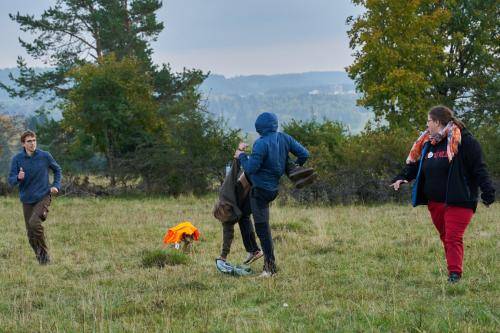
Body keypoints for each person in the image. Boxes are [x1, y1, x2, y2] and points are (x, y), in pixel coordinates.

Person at [390, 106, 495, 283]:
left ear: (437, 122)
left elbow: (479, 168)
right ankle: (453, 270)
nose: (427, 124)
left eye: (429, 121)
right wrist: (402, 178)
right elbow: (416, 165)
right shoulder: (428, 142)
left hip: (460, 199)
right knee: (446, 237)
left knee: (453, 237)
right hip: (435, 202)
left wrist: (487, 191)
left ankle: (455, 274)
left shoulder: (465, 142)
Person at [235, 112, 309, 277]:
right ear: (275, 124)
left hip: (260, 191)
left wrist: (241, 157)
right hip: (272, 189)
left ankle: (270, 268)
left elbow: (250, 168)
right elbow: (305, 154)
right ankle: (253, 250)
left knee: (263, 229)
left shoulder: (261, 143)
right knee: (242, 214)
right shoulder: (284, 138)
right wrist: (292, 168)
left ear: (259, 128)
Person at [8, 130, 62, 265]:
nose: (32, 143)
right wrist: (18, 178)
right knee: (30, 235)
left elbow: (57, 170)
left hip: (43, 195)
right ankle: (42, 260)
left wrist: (56, 185)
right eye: (29, 141)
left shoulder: (45, 156)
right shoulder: (17, 159)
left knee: (34, 223)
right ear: (23, 144)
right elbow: (11, 180)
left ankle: (45, 257)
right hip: (26, 199)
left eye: (34, 140)